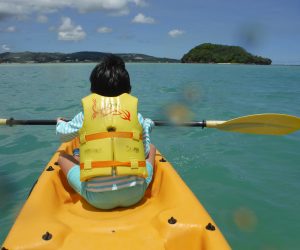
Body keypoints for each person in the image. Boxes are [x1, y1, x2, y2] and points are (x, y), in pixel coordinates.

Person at [56, 54, 155, 209]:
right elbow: (145, 151)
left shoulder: (84, 116)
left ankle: (78, 157)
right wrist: (147, 125)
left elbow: (62, 135)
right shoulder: (137, 116)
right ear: (128, 90)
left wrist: (60, 122)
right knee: (152, 149)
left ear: (93, 91)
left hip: (97, 199)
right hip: (136, 194)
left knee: (62, 157)